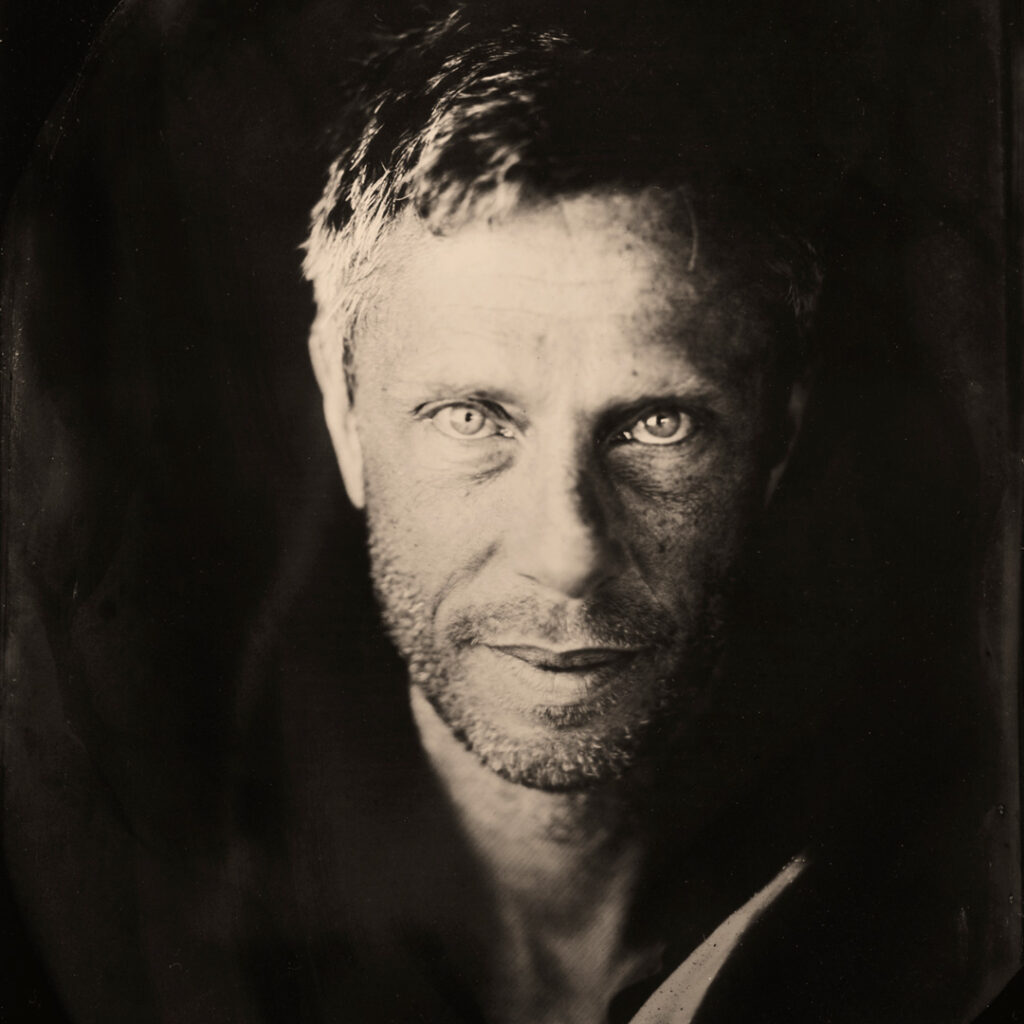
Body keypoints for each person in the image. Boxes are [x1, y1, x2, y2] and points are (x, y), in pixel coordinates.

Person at [291, 7, 992, 1023]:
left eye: (658, 423)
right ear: (343, 410)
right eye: (471, 417)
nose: (567, 551)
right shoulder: (164, 906)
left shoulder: (942, 897)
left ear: (777, 435)